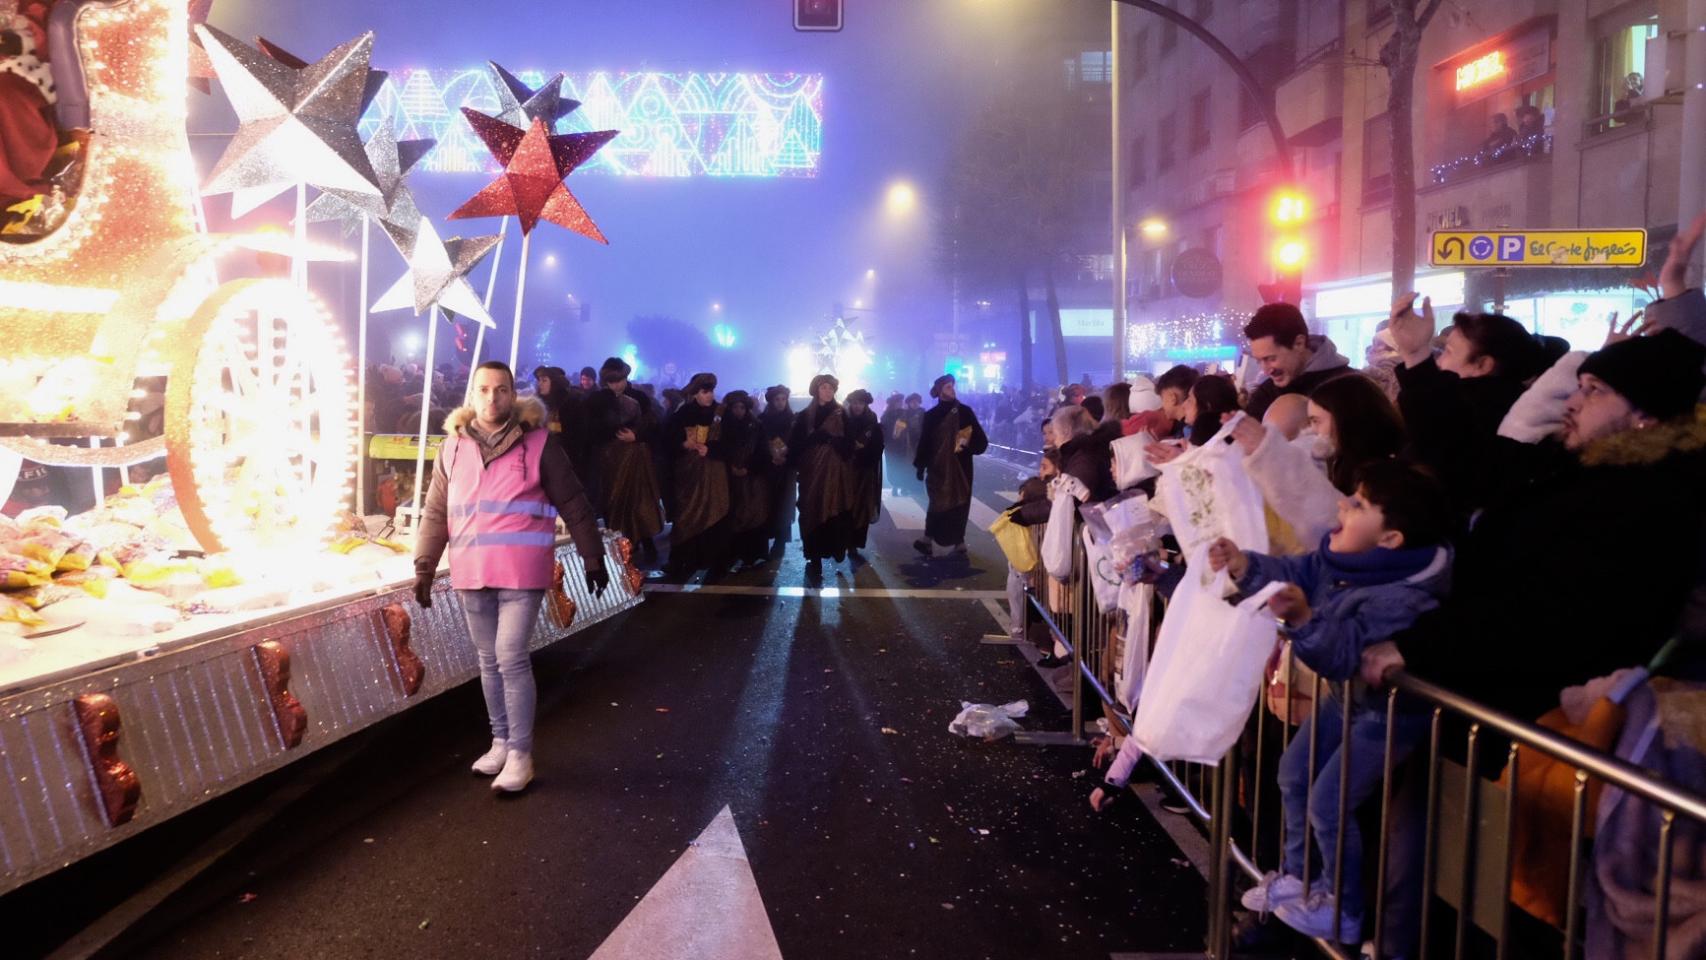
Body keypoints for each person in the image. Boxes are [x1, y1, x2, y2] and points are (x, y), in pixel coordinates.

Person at [1361, 330, 1706, 725]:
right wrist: (1418, 357)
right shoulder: (1573, 465)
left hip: (1527, 718)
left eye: (1595, 390)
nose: (1574, 402)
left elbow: (1549, 615)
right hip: (1486, 692)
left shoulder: (1649, 503)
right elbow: (1466, 458)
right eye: (1578, 386)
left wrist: (1422, 648)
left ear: (1644, 415)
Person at [1213, 460, 1453, 943]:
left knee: (1329, 802)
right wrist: (1246, 565)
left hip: (1387, 714)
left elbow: (1344, 655)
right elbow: (1298, 568)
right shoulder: (1345, 557)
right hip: (1348, 701)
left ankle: (1341, 904)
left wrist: (1303, 620)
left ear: (1390, 539)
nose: (1342, 504)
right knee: (1292, 774)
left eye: (1358, 504)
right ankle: (1299, 877)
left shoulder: (1402, 596)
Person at [413, 361, 611, 794]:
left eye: (500, 389)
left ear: (512, 394)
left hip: (521, 571)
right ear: (472, 394)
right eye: (483, 389)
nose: (491, 398)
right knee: (488, 661)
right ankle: (501, 741)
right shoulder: (452, 448)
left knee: (510, 656)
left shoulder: (539, 443)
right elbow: (435, 511)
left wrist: (592, 556)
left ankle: (521, 752)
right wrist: (424, 565)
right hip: (471, 570)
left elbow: (573, 501)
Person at [1389, 294, 1544, 518]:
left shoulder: (1483, 411)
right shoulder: (1509, 406)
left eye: (1448, 352)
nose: (1440, 361)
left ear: (1482, 365)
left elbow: (1439, 438)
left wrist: (1416, 356)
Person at [586, 357, 664, 565]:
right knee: (613, 502)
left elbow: (655, 426)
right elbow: (590, 430)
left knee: (640, 501)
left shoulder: (639, 397)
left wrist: (636, 436)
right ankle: (619, 546)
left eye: (619, 380)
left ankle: (647, 543)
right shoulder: (597, 400)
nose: (616, 385)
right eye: (612, 381)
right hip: (609, 461)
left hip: (635, 458)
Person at [913, 374, 989, 558]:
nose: (952, 389)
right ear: (939, 391)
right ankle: (927, 540)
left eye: (952, 386)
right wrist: (920, 465)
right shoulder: (931, 416)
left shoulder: (965, 412)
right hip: (937, 468)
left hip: (960, 468)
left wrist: (968, 446)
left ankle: (959, 542)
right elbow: (925, 442)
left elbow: (980, 440)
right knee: (937, 503)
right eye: (947, 387)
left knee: (960, 503)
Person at [663, 372, 729, 579]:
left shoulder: (721, 413)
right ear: (695, 393)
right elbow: (667, 440)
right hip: (689, 474)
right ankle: (682, 560)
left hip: (714, 474)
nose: (709, 396)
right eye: (704, 392)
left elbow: (731, 442)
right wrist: (683, 445)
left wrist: (711, 450)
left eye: (711, 392)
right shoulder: (682, 414)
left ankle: (712, 561)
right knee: (687, 514)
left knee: (715, 511)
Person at [791, 374, 858, 577]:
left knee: (834, 509)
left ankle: (836, 548)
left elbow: (850, 445)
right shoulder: (804, 416)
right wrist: (813, 440)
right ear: (816, 390)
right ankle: (815, 557)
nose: (828, 392)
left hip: (836, 475)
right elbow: (795, 446)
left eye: (831, 388)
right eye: (824, 388)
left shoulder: (842, 415)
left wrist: (833, 441)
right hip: (811, 475)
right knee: (811, 511)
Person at [1243, 303, 1352, 422]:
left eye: (1271, 359)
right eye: (1259, 361)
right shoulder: (1266, 394)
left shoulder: (1350, 387)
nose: (1265, 370)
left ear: (1298, 343)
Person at [715, 390, 772, 570]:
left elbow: (763, 453)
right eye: (735, 407)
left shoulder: (756, 426)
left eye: (742, 407)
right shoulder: (723, 427)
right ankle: (733, 554)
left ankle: (753, 554)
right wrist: (730, 467)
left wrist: (748, 468)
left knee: (754, 515)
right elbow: (719, 450)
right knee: (733, 515)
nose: (738, 411)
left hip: (753, 479)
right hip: (730, 479)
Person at [844, 389, 884, 563]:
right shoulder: (844, 421)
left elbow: (878, 447)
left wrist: (864, 454)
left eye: (860, 403)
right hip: (847, 470)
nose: (857, 406)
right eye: (854, 402)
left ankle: (856, 542)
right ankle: (846, 541)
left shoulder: (872, 422)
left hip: (866, 471)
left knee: (862, 507)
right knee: (846, 506)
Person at [760, 385, 797, 551]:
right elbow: (758, 443)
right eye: (777, 399)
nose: (781, 403)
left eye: (783, 399)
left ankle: (780, 540)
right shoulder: (762, 420)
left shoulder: (793, 420)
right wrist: (770, 457)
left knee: (784, 503)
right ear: (771, 401)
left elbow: (798, 443)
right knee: (767, 501)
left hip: (786, 468)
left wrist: (786, 457)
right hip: (768, 467)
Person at [879, 392, 910, 496]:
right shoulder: (887, 415)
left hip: (903, 444)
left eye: (901, 402)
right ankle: (895, 486)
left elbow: (909, 426)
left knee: (903, 465)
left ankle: (904, 486)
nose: (900, 404)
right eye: (898, 402)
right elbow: (883, 428)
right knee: (893, 465)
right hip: (891, 445)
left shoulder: (904, 413)